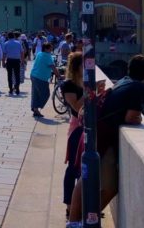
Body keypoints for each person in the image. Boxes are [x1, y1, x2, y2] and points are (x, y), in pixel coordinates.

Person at [67, 55, 144, 228]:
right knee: (109, 186)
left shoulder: (123, 81)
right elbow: (131, 117)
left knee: (85, 179)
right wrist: (137, 119)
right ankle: (82, 221)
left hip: (95, 131)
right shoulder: (137, 87)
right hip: (103, 137)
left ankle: (76, 221)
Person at [60, 52, 85, 218]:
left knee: (85, 171)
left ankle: (81, 204)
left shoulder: (86, 82)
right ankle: (70, 206)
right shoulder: (68, 85)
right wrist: (90, 91)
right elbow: (76, 107)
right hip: (77, 129)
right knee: (73, 169)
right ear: (77, 67)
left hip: (89, 128)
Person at [29, 42, 59, 118]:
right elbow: (53, 67)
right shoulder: (48, 56)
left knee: (35, 93)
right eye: (50, 48)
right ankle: (36, 108)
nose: (51, 49)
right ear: (46, 49)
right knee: (46, 94)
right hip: (41, 78)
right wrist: (59, 76)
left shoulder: (39, 53)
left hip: (34, 75)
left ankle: (35, 108)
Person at [1, 30, 26, 95]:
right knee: (17, 75)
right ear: (13, 36)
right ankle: (17, 89)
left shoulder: (6, 43)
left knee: (9, 75)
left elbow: (4, 54)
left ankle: (10, 89)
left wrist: (3, 62)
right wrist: (22, 61)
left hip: (9, 60)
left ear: (8, 37)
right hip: (17, 61)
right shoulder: (18, 43)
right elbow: (22, 52)